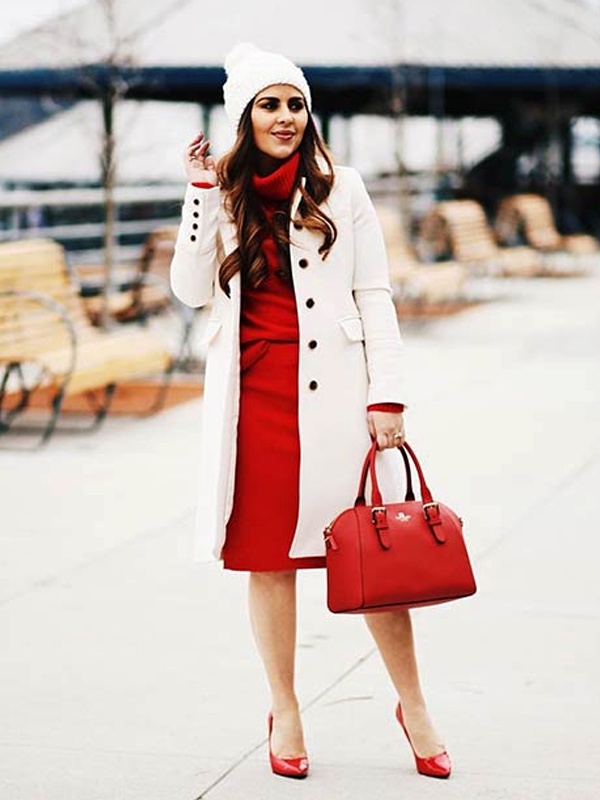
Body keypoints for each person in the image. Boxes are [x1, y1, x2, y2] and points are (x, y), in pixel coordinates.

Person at [170, 42, 451, 781]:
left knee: (375, 559)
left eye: (296, 104)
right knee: (270, 567)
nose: (287, 117)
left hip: (336, 401)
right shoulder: (224, 196)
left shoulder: (343, 189)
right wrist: (200, 193)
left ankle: (413, 704)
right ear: (244, 118)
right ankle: (285, 707)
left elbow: (374, 295)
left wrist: (385, 395)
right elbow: (191, 290)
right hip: (255, 406)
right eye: (270, 105)